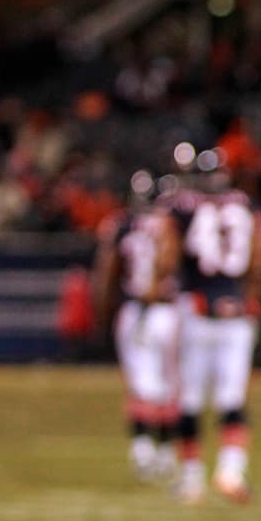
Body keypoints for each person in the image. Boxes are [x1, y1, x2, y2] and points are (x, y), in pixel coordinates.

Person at [160, 146, 261, 504]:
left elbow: (167, 255)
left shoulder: (182, 207)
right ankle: (231, 470)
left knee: (189, 397)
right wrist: (251, 300)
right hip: (237, 312)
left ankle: (192, 479)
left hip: (197, 308)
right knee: (233, 397)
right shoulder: (249, 208)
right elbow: (259, 261)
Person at [92, 169, 182, 482]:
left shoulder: (121, 225)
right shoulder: (172, 223)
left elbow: (106, 272)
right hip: (167, 310)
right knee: (170, 384)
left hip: (135, 309)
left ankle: (142, 450)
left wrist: (101, 311)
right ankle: (166, 451)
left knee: (141, 383)